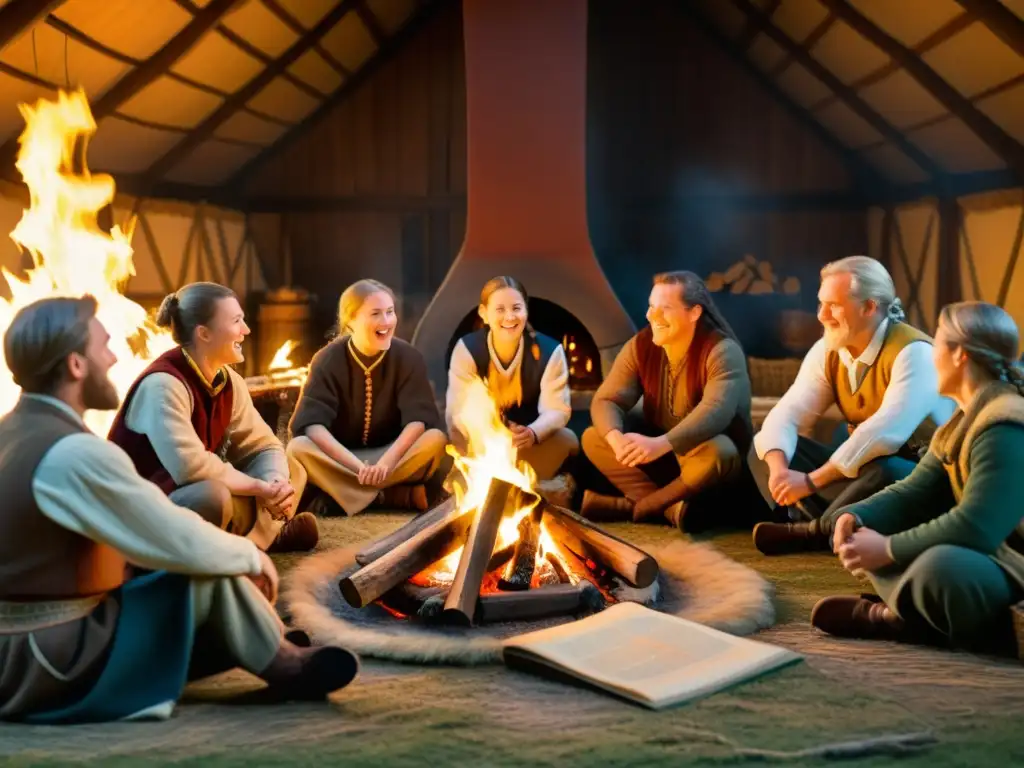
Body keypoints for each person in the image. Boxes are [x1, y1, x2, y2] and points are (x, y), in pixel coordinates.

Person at [0, 296, 357, 723]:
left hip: (28, 646)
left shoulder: (14, 433)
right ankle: (280, 660)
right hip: (49, 661)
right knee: (203, 567)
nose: (114, 358)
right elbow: (167, 530)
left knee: (202, 559)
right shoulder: (72, 452)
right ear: (76, 366)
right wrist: (250, 557)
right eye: (104, 347)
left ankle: (258, 639)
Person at [811, 301, 1024, 655]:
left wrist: (888, 550)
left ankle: (897, 618)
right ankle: (926, 616)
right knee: (880, 542)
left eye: (937, 344)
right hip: (988, 558)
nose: (931, 354)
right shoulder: (963, 420)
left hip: (1013, 567)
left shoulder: (1004, 424)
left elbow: (976, 527)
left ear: (960, 355)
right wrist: (856, 516)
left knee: (939, 567)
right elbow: (915, 491)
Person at [749, 256, 953, 555]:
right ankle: (820, 520)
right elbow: (788, 413)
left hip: (917, 484)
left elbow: (883, 435)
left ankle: (814, 531)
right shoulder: (829, 350)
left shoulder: (914, 353)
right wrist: (780, 471)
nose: (821, 315)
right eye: (820, 304)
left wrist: (809, 481)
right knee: (764, 448)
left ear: (869, 307)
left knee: (888, 471)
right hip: (859, 478)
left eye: (833, 305)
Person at [107, 282, 317, 553]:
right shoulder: (163, 385)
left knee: (291, 468)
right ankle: (259, 540)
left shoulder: (229, 381)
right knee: (212, 497)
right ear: (204, 333)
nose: (246, 330)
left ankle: (253, 541)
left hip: (196, 497)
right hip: (147, 507)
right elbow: (191, 468)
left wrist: (274, 482)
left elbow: (263, 446)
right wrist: (260, 488)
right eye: (236, 321)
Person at [580, 271, 753, 529]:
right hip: (660, 457)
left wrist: (662, 444)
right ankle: (671, 508)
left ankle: (642, 507)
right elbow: (607, 400)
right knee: (595, 437)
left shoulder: (722, 351)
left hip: (705, 465)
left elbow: (716, 411)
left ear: (694, 313)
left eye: (666, 308)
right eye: (651, 306)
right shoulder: (640, 345)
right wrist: (616, 439)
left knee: (720, 452)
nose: (652, 316)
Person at [287, 279, 447, 514]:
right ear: (350, 320)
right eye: (375, 314)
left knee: (435, 439)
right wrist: (358, 467)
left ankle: (345, 497)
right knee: (298, 448)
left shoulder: (408, 357)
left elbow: (418, 421)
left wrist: (385, 464)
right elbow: (312, 426)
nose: (386, 322)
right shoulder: (327, 359)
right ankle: (389, 497)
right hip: (342, 460)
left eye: (390, 312)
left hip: (391, 458)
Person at [446, 276, 579, 481]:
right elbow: (458, 411)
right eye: (500, 310)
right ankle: (497, 483)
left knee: (568, 440)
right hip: (480, 445)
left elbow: (557, 409)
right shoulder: (467, 350)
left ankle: (520, 484)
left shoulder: (550, 351)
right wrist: (496, 432)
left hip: (528, 445)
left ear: (526, 310)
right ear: (484, 313)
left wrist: (532, 432)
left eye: (516, 308)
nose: (510, 317)